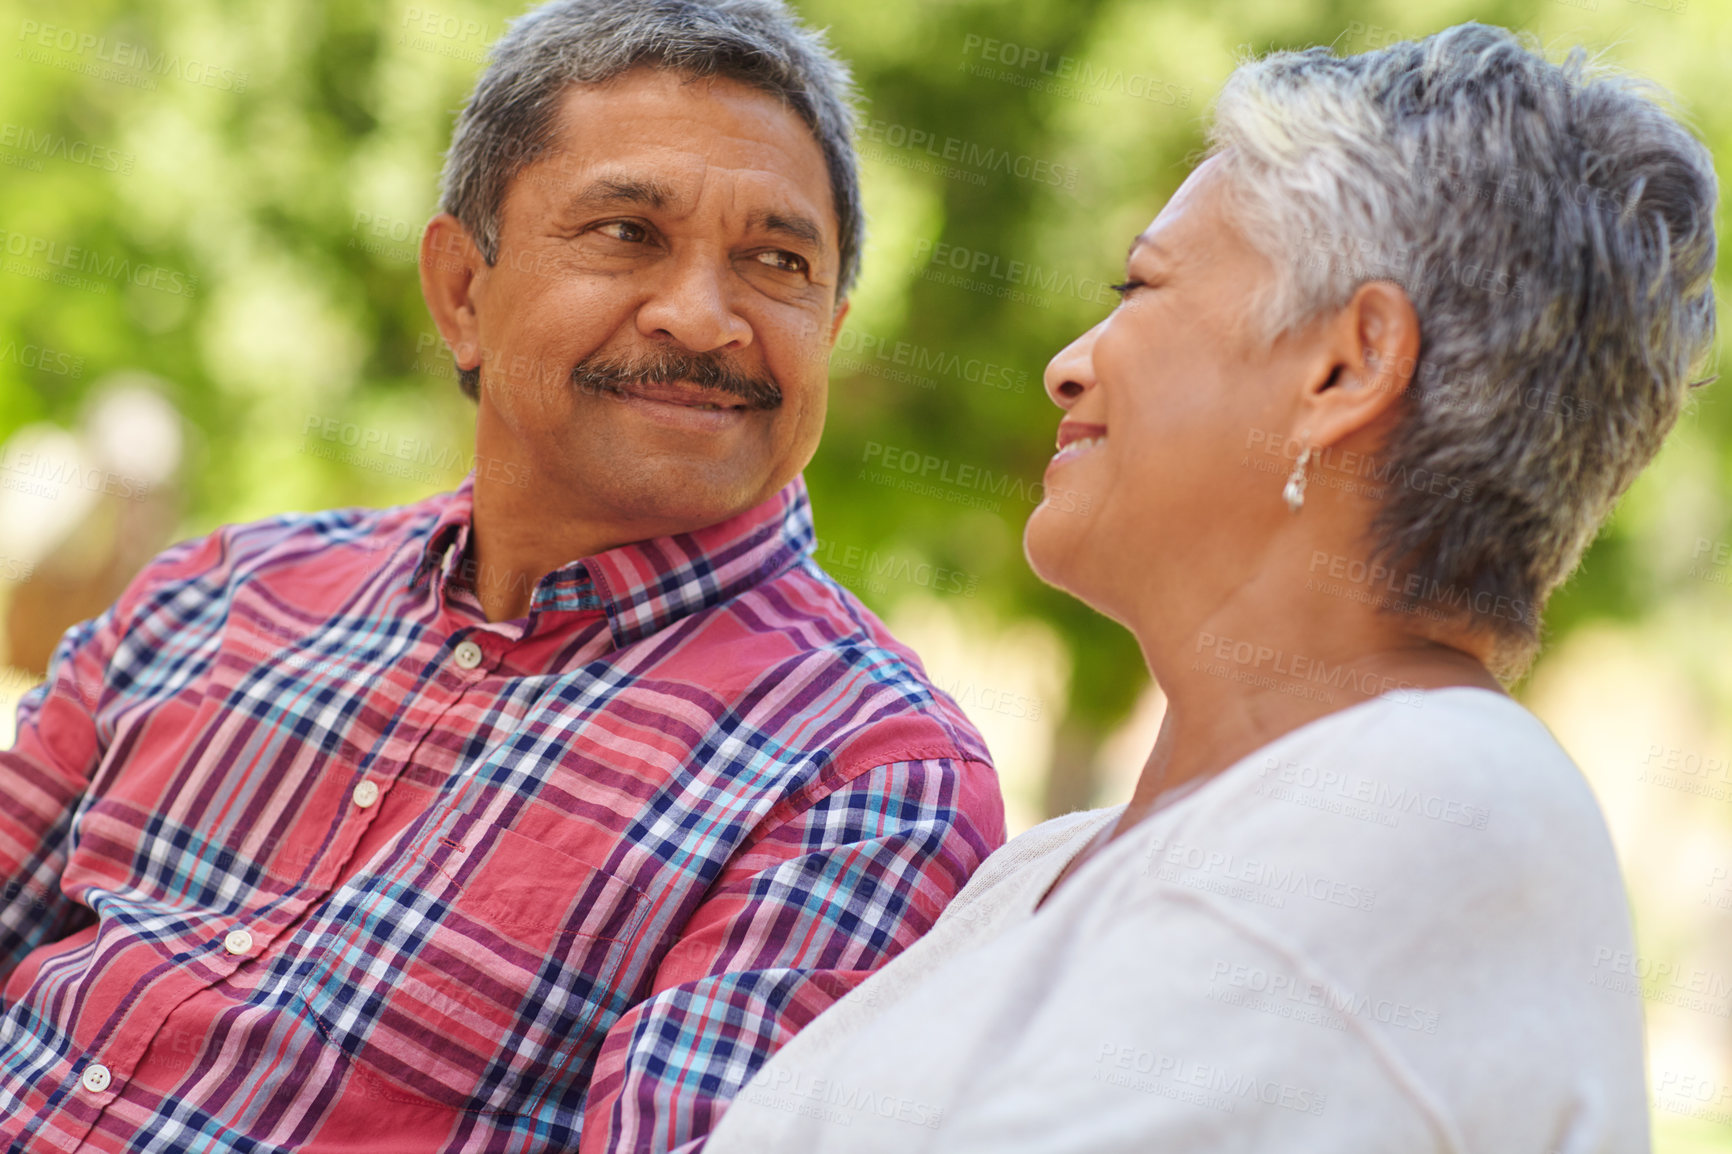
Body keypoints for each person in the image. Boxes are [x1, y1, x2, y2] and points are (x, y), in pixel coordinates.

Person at [0, 2, 1006, 1151]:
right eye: (628, 231)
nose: (703, 314)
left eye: (776, 262)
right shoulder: (215, 596)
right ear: (462, 293)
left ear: (831, 324)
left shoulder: (869, 779)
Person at [706, 22, 1716, 1154]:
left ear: (1346, 365)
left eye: (1139, 284)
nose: (1068, 360)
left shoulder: (1436, 801)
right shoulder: (1040, 871)